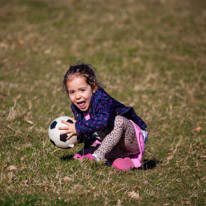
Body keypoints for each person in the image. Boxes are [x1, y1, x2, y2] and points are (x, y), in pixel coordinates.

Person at [59, 63, 148, 171]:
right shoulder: (77, 107)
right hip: (114, 145)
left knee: (118, 121)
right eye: (72, 92)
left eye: (82, 90)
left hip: (131, 139)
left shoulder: (102, 99)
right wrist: (76, 134)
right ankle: (125, 160)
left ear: (94, 87)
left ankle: (99, 155)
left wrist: (78, 127)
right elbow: (89, 130)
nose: (77, 96)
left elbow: (104, 121)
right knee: (81, 155)